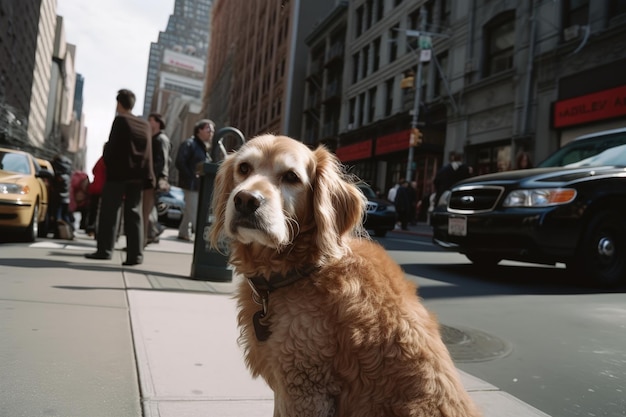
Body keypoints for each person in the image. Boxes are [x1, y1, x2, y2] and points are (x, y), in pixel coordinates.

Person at [85, 89, 154, 265]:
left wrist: (107, 158)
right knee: (134, 213)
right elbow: (148, 152)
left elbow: (112, 148)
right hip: (138, 176)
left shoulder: (120, 120)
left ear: (119, 104)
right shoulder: (144, 124)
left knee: (109, 212)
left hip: (118, 175)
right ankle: (135, 255)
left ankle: (105, 251)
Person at [174, 118, 214, 241]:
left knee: (189, 210)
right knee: (195, 212)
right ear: (199, 130)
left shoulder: (203, 147)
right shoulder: (189, 144)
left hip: (198, 185)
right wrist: (192, 176)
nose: (211, 132)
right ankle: (201, 239)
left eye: (212, 130)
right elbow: (180, 162)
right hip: (191, 184)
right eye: (208, 129)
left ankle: (183, 232)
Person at [143, 112, 171, 245]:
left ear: (158, 123)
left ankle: (150, 234)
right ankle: (151, 233)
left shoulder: (161, 139)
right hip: (150, 178)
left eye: (151, 120)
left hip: (153, 178)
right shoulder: (153, 138)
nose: (148, 122)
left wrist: (161, 178)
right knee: (148, 209)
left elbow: (163, 160)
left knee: (147, 209)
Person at [50, 154, 73, 238]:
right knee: (65, 216)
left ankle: (58, 234)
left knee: (58, 217)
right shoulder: (67, 174)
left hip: (58, 198)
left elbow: (56, 188)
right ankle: (70, 232)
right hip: (66, 199)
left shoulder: (59, 176)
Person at [85, 155, 106, 237]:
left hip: (95, 188)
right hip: (103, 188)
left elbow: (93, 170)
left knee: (93, 210)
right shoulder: (108, 158)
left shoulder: (100, 160)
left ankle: (91, 229)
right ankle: (97, 230)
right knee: (102, 211)